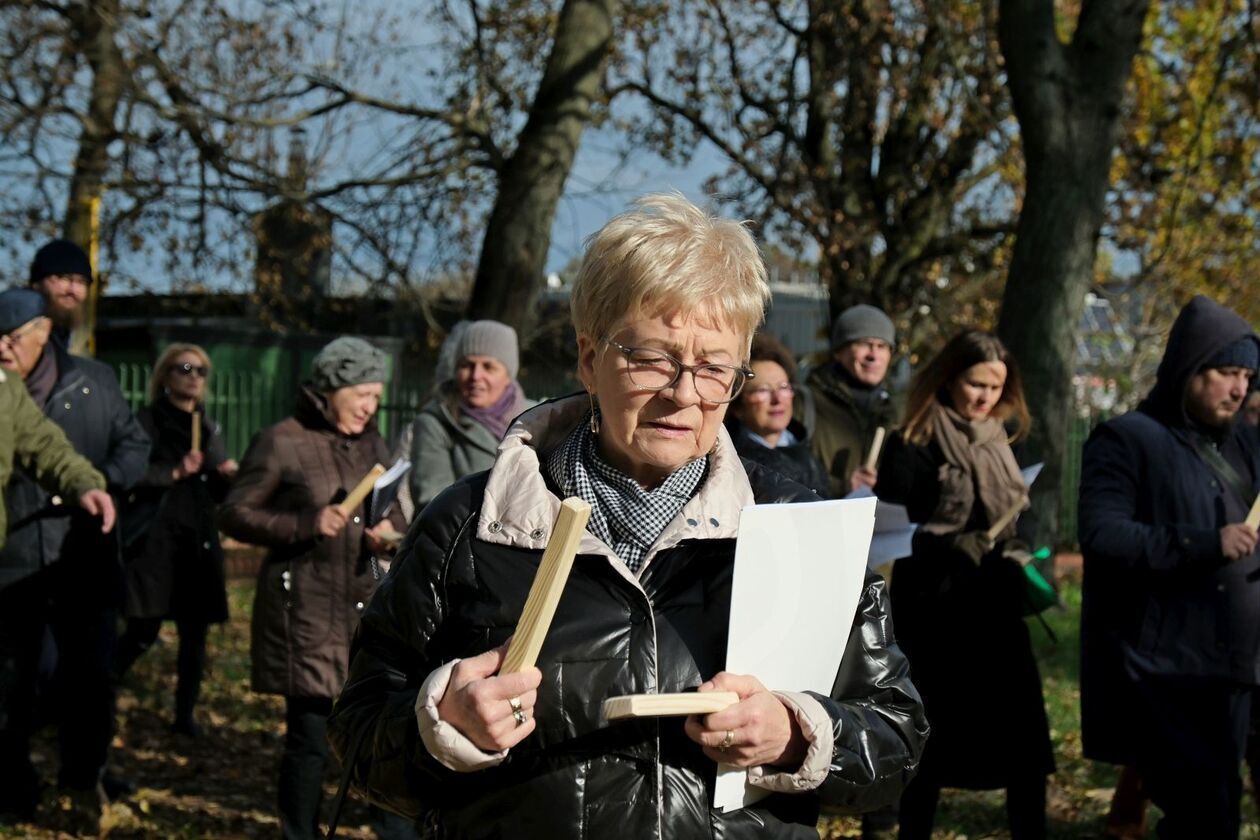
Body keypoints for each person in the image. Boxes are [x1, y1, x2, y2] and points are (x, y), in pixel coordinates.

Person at [327, 194, 927, 838]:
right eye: (652, 359)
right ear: (590, 360)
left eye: (713, 369)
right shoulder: (467, 527)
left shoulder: (797, 529)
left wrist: (796, 734)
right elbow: (359, 738)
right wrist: (442, 726)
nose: (683, 393)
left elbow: (896, 736)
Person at [1078, 295, 1259, 839]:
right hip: (1164, 672)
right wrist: (1205, 543)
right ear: (1188, 369)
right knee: (1202, 817)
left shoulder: (1244, 447)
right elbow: (1103, 536)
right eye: (1227, 373)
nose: (1240, 389)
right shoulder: (1125, 439)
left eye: (1247, 376)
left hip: (1237, 668)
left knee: (1221, 810)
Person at [219, 336, 411, 840]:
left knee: (376, 728)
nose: (371, 406)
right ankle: (298, 833)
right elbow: (235, 513)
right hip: (302, 610)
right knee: (307, 740)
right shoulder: (280, 440)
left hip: (363, 609)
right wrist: (307, 522)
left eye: (375, 396)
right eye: (362, 395)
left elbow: (390, 506)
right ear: (330, 388)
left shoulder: (373, 438)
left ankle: (392, 829)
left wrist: (387, 531)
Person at [875, 330, 1052, 840]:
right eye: (976, 384)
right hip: (934, 616)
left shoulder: (999, 440)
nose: (984, 398)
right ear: (950, 378)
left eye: (995, 388)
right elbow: (888, 534)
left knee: (1025, 751)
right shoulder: (912, 443)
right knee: (929, 752)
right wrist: (948, 545)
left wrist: (1017, 550)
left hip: (995, 612)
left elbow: (1018, 514)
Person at [0, 288, 147, 821]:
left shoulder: (92, 381)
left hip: (80, 555)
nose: (2, 348)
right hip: (14, 555)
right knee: (18, 679)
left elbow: (45, 445)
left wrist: (91, 484)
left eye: (11, 337)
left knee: (86, 676)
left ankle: (82, 777)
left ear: (42, 333)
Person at [115, 344, 239, 737]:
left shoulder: (209, 425)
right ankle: (93, 696)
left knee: (194, 636)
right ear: (165, 375)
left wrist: (225, 477)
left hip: (197, 543)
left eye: (201, 370)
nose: (193, 376)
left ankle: (184, 717)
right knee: (142, 630)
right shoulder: (147, 422)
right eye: (184, 368)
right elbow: (129, 474)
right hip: (156, 544)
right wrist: (172, 471)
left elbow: (217, 491)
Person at [406, 319, 534, 511]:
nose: (475, 376)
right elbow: (436, 502)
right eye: (467, 365)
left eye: (488, 367)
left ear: (508, 375)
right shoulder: (436, 422)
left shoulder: (535, 418)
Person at [797, 304, 898, 498]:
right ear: (838, 351)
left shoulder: (894, 414)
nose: (873, 355)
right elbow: (778, 471)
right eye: (863, 344)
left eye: (882, 346)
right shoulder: (804, 404)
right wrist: (841, 486)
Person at [724, 332, 829, 496]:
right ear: (737, 405)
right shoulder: (731, 462)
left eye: (783, 387)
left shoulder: (805, 449)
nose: (777, 399)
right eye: (763, 390)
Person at [28, 238, 93, 346]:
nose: (72, 290)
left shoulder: (79, 342)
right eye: (63, 278)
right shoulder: (11, 337)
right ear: (37, 283)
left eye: (81, 282)